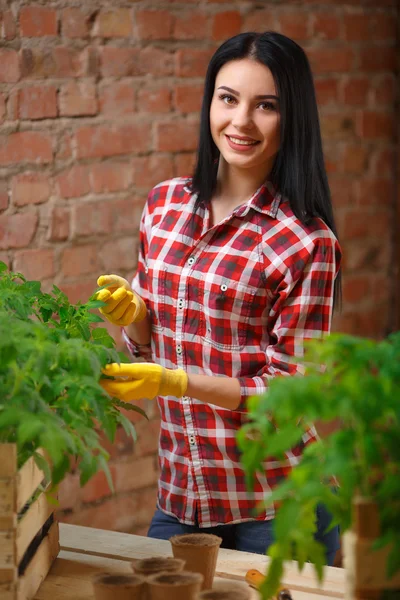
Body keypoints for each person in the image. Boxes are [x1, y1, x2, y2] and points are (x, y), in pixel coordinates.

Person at [96, 31, 342, 564]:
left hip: (278, 506)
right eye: (228, 98)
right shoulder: (164, 205)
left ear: (292, 116)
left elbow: (291, 397)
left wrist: (177, 382)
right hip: (183, 496)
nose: (241, 121)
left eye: (266, 105)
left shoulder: (305, 241)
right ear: (210, 101)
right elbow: (150, 343)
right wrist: (136, 316)